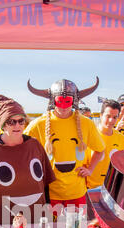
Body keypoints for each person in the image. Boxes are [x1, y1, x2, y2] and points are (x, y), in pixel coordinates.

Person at [0, 94, 56, 225]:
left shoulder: (34, 145)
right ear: (3, 124)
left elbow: (45, 180)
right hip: (2, 218)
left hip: (36, 215)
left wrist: (48, 203)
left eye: (21, 121)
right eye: (11, 121)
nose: (17, 125)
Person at [24, 78, 105, 211]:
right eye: (59, 101)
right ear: (52, 100)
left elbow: (100, 150)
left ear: (74, 101)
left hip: (77, 192)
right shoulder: (38, 124)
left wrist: (90, 169)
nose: (64, 106)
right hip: (49, 193)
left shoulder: (86, 123)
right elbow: (21, 149)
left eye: (68, 102)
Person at [85, 99, 124, 189]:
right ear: (101, 115)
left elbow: (122, 165)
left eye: (115, 117)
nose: (111, 120)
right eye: (108, 116)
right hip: (89, 188)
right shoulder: (89, 136)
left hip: (111, 189)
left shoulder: (121, 138)